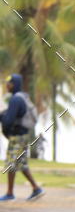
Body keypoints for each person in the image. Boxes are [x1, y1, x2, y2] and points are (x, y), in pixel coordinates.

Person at [0, 74, 44, 202]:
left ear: (15, 84)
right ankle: (36, 189)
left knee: (11, 164)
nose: (7, 85)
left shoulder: (15, 100)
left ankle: (10, 193)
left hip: (17, 136)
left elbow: (8, 121)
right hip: (23, 136)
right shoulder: (22, 97)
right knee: (20, 164)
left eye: (10, 83)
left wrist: (1, 117)